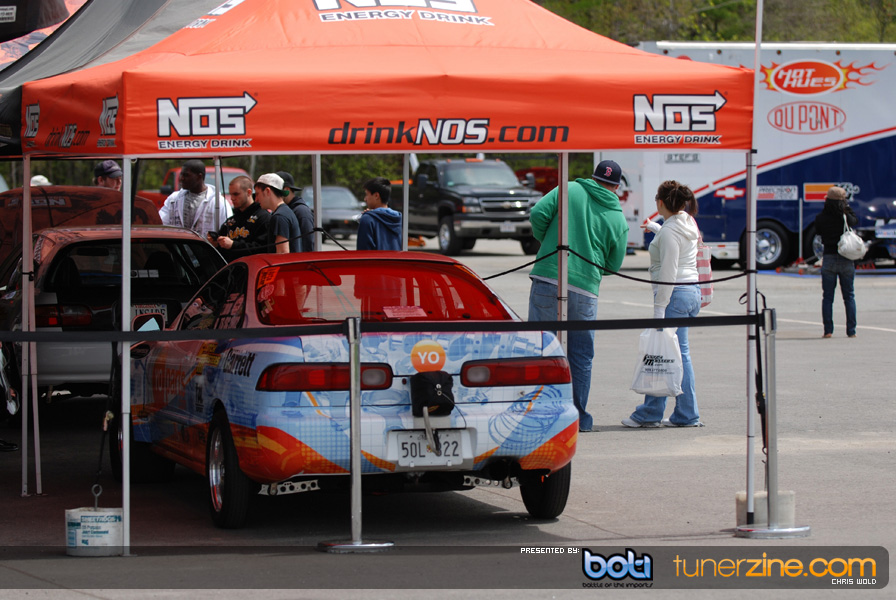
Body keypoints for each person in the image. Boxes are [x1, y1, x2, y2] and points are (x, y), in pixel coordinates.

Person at [527, 159, 629, 433]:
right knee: (581, 355)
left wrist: (549, 243)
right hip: (585, 288)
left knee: (542, 349)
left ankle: (541, 414)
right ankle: (578, 417)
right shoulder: (618, 218)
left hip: (549, 275)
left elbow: (537, 213)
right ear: (616, 186)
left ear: (593, 177)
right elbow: (614, 265)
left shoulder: (569, 189)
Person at [622, 180, 703, 428]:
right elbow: (677, 242)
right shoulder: (687, 222)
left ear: (660, 203)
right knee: (680, 354)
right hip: (692, 292)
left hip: (674, 294)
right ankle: (686, 414)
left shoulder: (669, 232)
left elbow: (668, 270)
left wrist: (659, 308)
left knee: (661, 353)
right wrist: (657, 228)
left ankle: (650, 413)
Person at [814, 185, 858, 338]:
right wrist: (846, 208)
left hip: (829, 258)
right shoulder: (845, 217)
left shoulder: (821, 217)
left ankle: (828, 330)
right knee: (849, 296)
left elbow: (818, 231)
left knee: (827, 297)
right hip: (846, 259)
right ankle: (851, 331)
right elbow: (854, 221)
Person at [159, 160, 232, 236]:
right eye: (181, 175)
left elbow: (228, 230)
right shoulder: (174, 199)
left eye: (186, 175)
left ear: (199, 176)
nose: (182, 178)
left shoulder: (218, 202)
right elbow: (161, 222)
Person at [208, 175, 270, 262]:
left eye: (236, 194)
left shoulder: (263, 217)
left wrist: (233, 245)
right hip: (230, 267)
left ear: (248, 192)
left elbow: (263, 248)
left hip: (252, 267)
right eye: (231, 194)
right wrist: (216, 243)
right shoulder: (231, 220)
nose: (232, 198)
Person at [255, 173, 300, 254]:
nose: (256, 199)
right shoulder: (284, 212)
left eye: (258, 194)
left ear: (267, 191)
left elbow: (283, 253)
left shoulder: (279, 217)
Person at [357, 177, 402, 251]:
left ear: (376, 196)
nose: (365, 199)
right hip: (395, 259)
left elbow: (363, 253)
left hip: (377, 259)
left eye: (366, 195)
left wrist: (367, 217)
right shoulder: (399, 219)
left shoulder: (367, 219)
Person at [278, 171, 314, 252]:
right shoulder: (282, 210)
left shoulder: (301, 212)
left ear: (286, 190)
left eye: (276, 190)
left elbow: (307, 244)